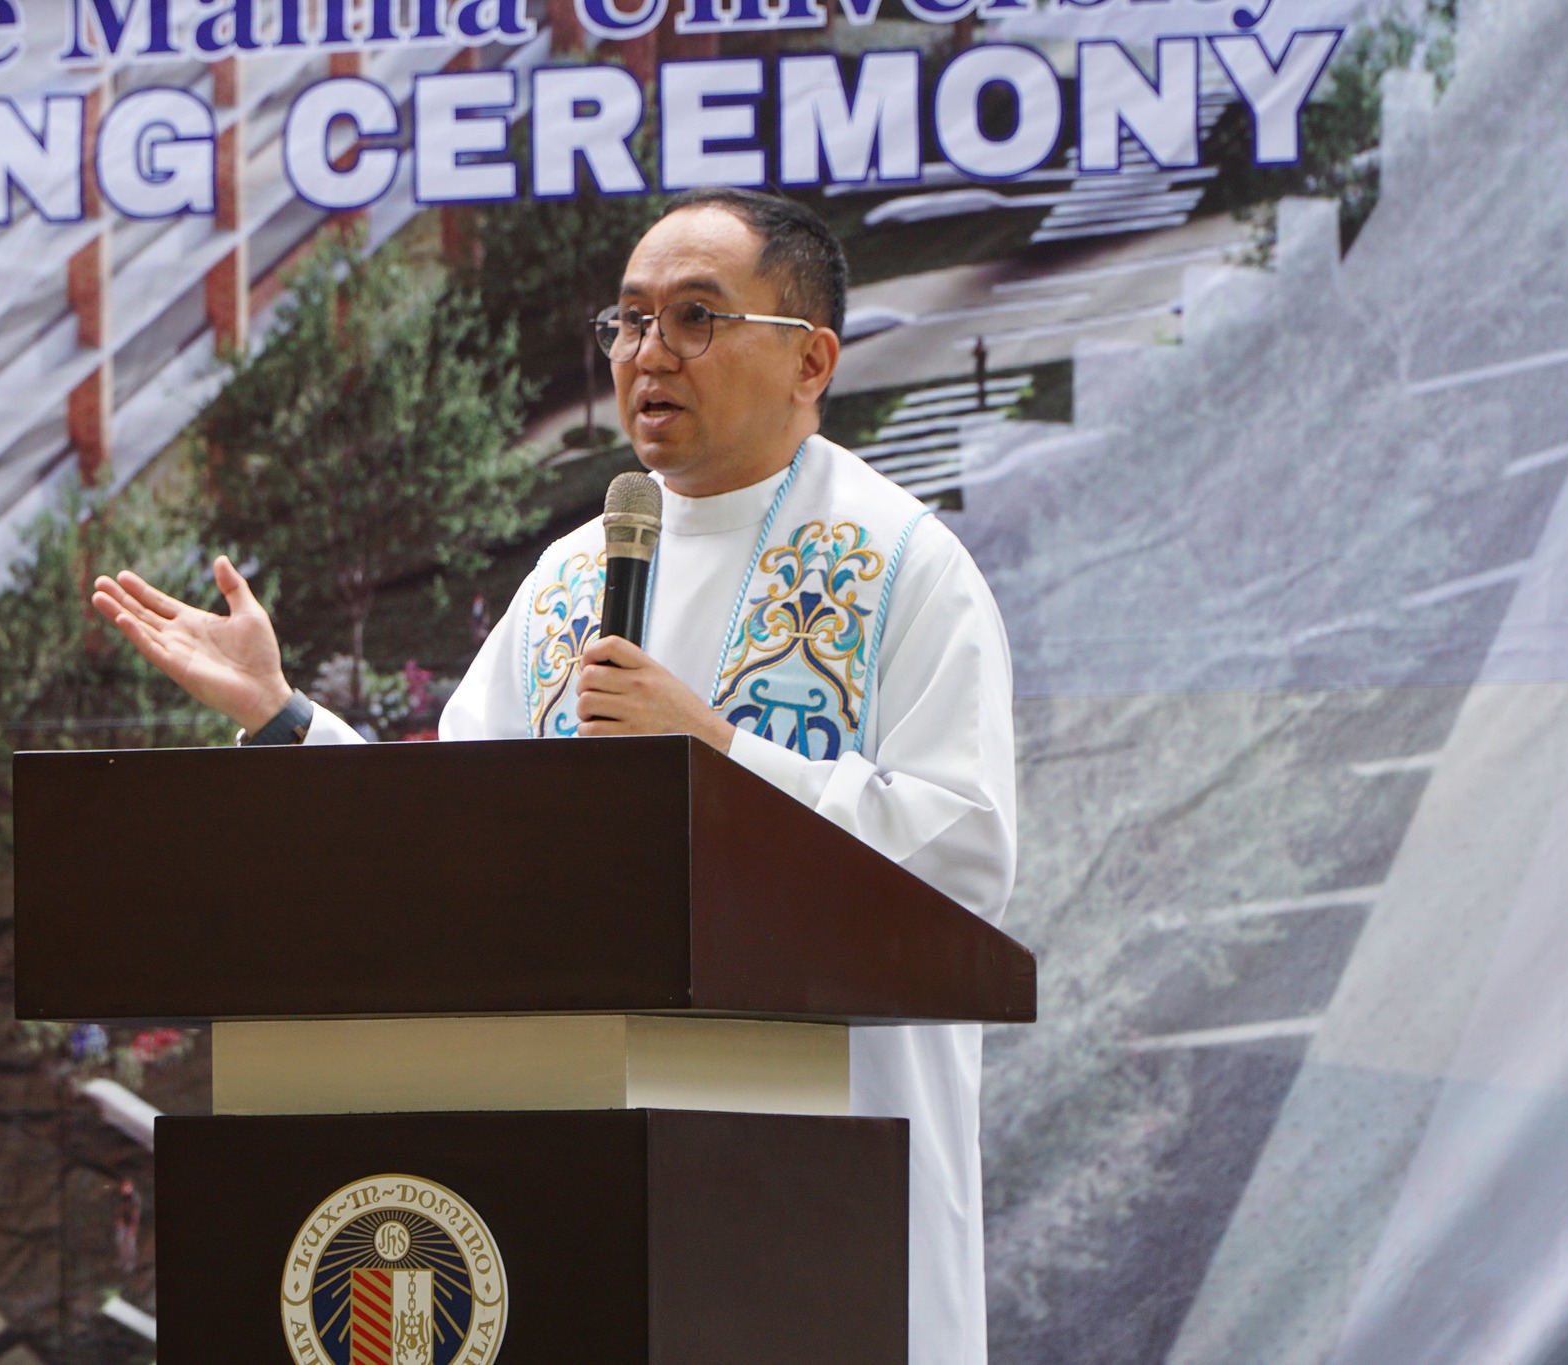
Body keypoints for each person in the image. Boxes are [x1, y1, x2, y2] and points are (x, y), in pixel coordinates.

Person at [91, 187, 1016, 1365]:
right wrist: (284, 719)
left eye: (693, 318)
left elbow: (967, 855)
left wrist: (720, 758)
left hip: (822, 1170)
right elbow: (457, 840)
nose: (646, 356)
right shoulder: (574, 576)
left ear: (809, 359)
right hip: (589, 1170)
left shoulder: (899, 567)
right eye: (626, 323)